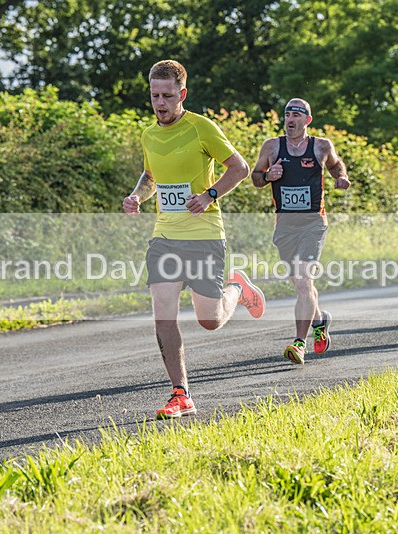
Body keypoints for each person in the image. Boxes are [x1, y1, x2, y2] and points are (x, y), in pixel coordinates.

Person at [122, 60, 265, 419]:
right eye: (155, 96)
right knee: (163, 316)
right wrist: (138, 195)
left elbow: (240, 168)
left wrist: (210, 195)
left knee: (210, 320)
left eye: (168, 96)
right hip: (165, 236)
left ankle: (237, 287)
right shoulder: (148, 134)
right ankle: (181, 393)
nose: (160, 103)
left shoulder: (202, 128)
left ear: (182, 94)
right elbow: (150, 174)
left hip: (204, 235)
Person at [250, 99, 350, 363]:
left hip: (313, 224)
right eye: (286, 115)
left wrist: (341, 177)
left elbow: (336, 164)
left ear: (307, 120)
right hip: (284, 226)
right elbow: (255, 177)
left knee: (305, 280)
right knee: (300, 285)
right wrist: (268, 176)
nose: (290, 119)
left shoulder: (321, 146)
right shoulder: (272, 146)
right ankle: (320, 320)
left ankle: (299, 343)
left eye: (296, 114)